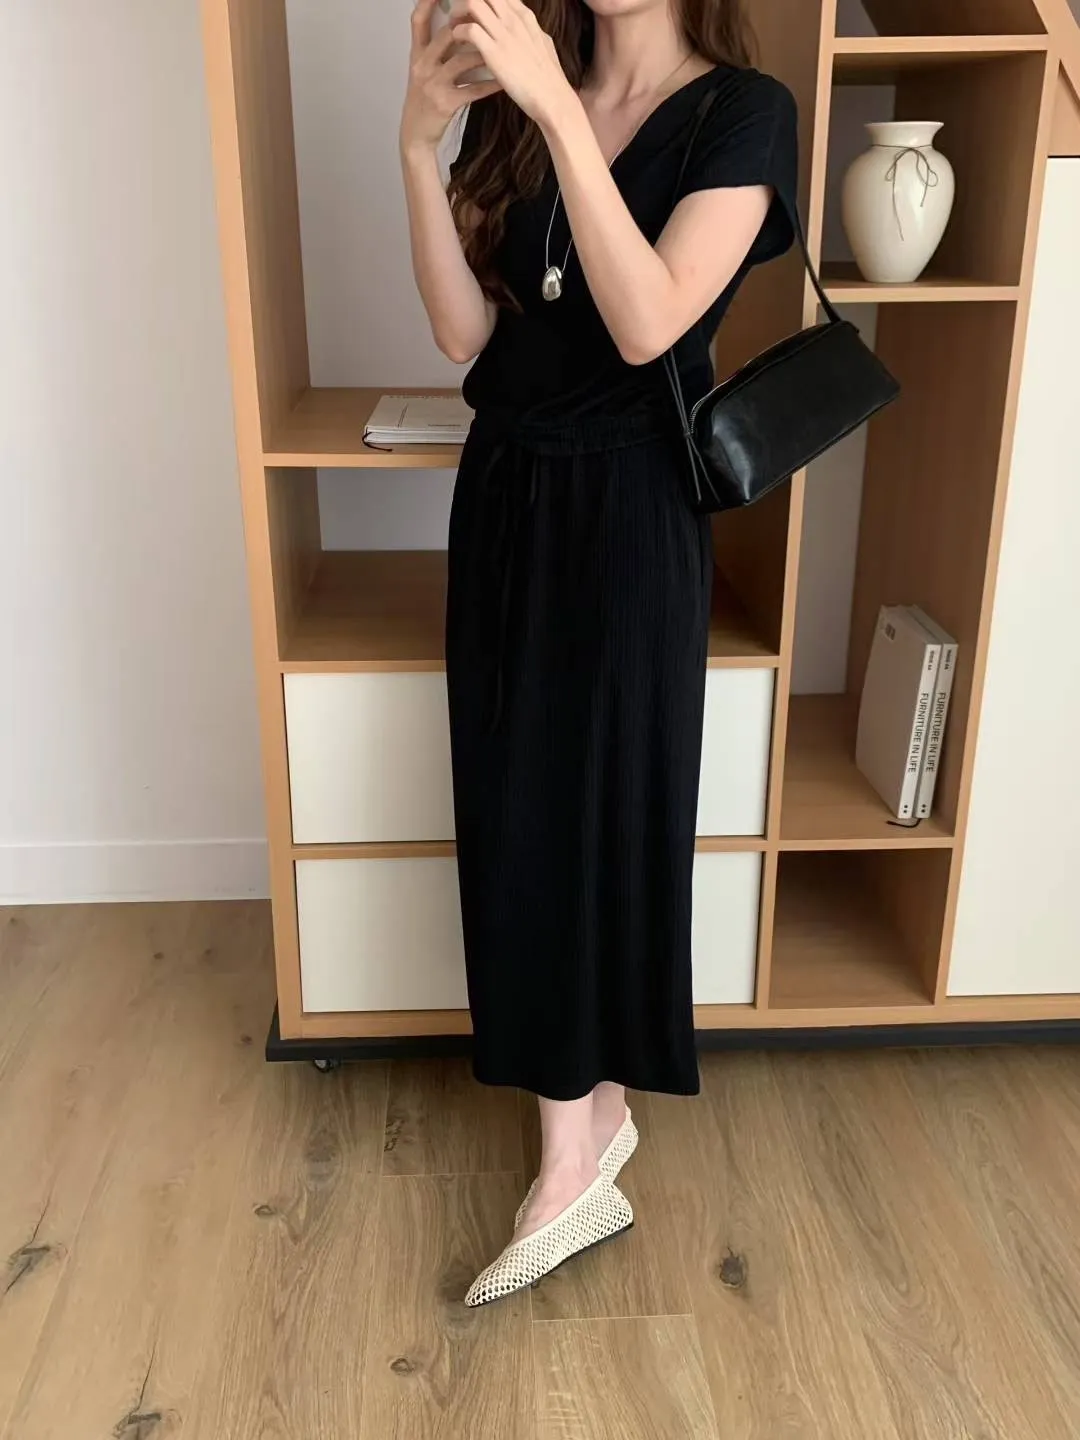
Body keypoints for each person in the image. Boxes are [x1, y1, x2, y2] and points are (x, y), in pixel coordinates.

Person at [399, 0, 797, 1306]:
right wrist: (417, 146)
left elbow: (649, 324)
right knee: (514, 805)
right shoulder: (523, 99)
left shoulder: (742, 115)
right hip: (506, 488)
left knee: (606, 807)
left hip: (632, 505)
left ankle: (573, 1155)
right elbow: (465, 334)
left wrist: (561, 116)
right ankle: (590, 1115)